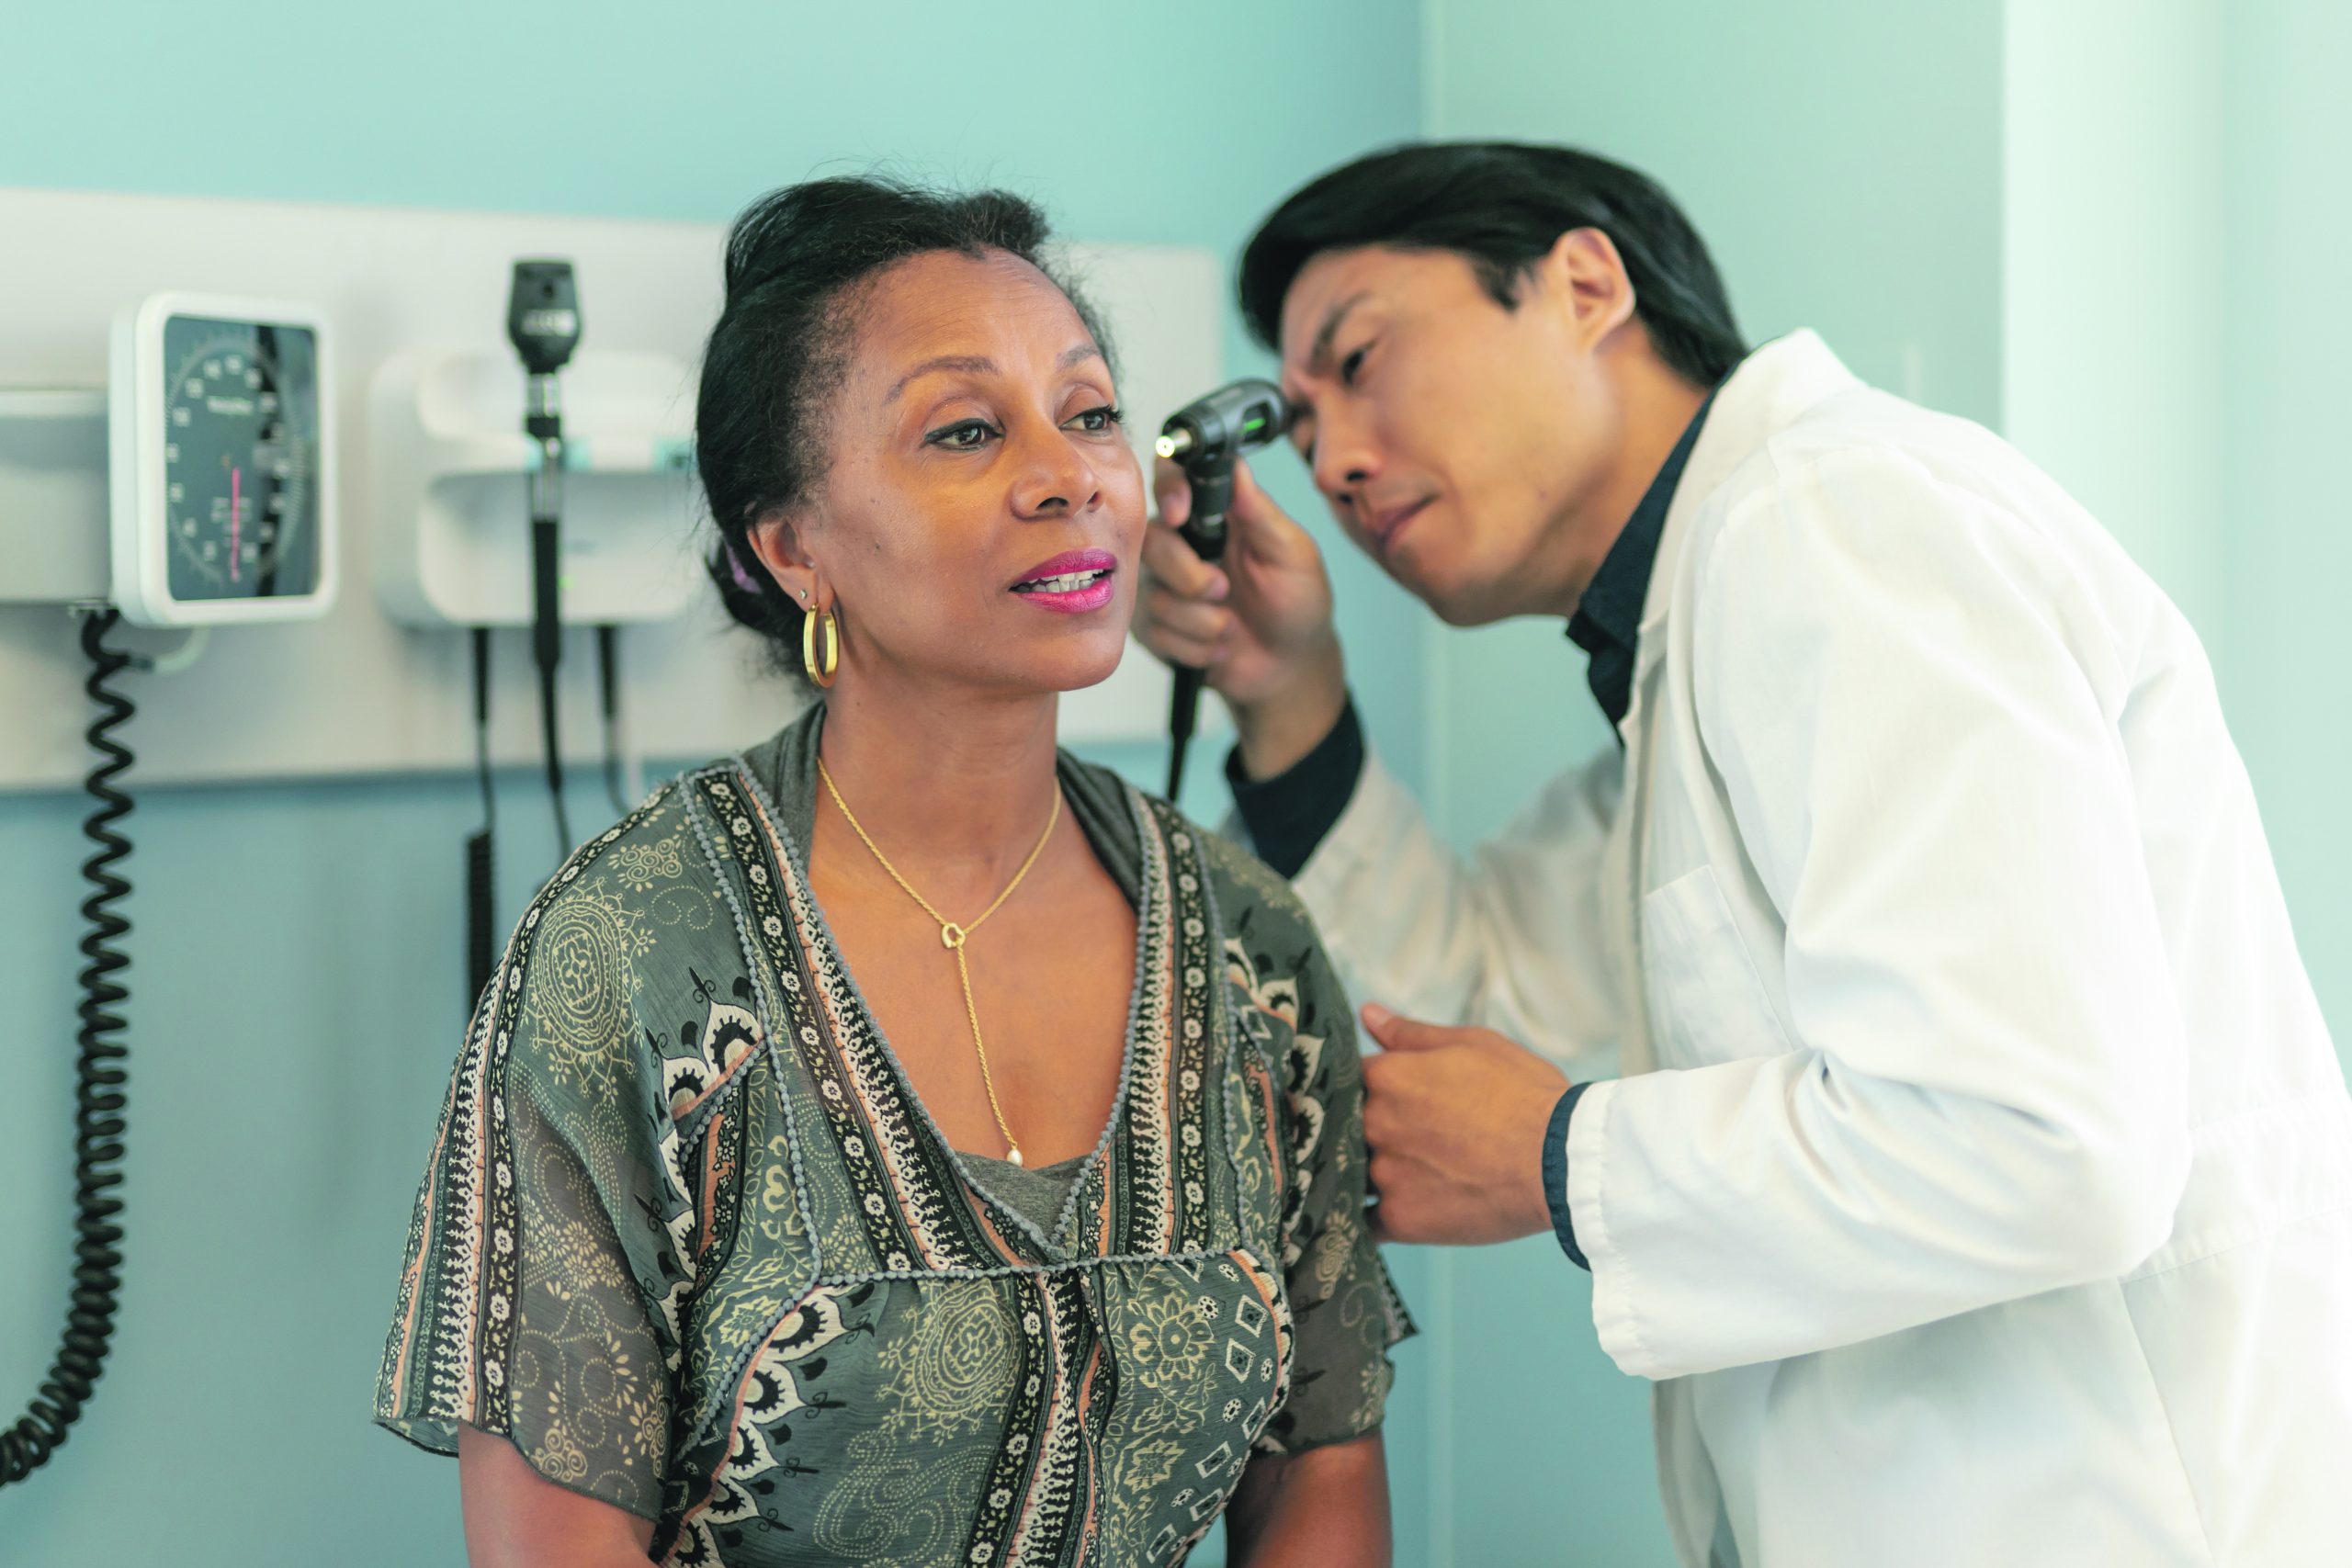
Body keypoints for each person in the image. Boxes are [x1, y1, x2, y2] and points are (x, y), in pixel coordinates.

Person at [1135, 140, 2352, 1566]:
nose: (1335, 459)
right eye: (1298, 420)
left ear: (1584, 283)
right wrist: (1290, 701)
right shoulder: (1689, 644)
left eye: (1362, 358)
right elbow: (1477, 1007)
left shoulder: (1832, 519)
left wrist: (1561, 1157)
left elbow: (2048, 1142)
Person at [376, 176, 1408, 1568]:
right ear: (792, 543)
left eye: (1091, 413)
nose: (1070, 477)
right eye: (969, 429)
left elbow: (1320, 1479)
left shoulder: (1252, 953)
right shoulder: (633, 960)